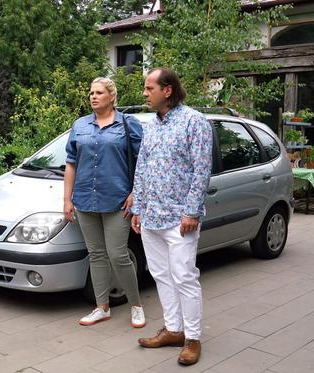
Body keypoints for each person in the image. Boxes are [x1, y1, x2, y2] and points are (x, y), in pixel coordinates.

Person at [131, 67, 212, 365]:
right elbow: (142, 168)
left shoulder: (194, 122)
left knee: (184, 277)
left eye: (149, 88)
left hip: (180, 219)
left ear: (167, 90)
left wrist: (191, 211)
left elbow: (202, 170)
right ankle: (173, 329)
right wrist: (138, 207)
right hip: (151, 216)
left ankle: (192, 338)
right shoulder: (150, 126)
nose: (144, 93)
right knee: (161, 275)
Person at [64, 77, 145, 328]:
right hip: (85, 199)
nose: (93, 96)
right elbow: (71, 162)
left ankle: (136, 305)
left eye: (99, 92)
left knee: (118, 254)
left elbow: (144, 161)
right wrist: (67, 199)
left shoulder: (128, 125)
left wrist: (136, 193)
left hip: (117, 200)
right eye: (91, 93)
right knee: (96, 255)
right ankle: (102, 307)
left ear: (112, 96)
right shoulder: (80, 125)